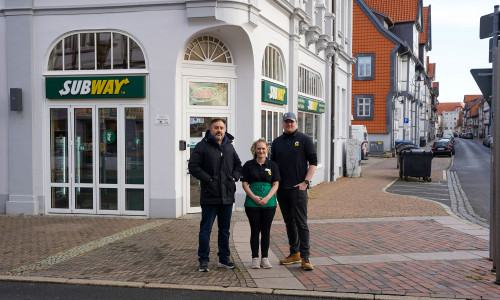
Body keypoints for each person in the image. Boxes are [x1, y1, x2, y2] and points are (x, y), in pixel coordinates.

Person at [188, 118, 242, 272]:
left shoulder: (229, 147)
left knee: (224, 230)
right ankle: (203, 260)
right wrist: (209, 179)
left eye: (222, 128)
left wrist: (234, 177)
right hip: (210, 195)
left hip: (227, 196)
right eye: (216, 127)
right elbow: (193, 166)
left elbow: (238, 165)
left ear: (225, 129)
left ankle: (224, 259)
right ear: (210, 129)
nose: (219, 130)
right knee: (206, 230)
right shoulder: (202, 146)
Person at [271, 112, 317, 271]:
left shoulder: (305, 140)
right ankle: (294, 253)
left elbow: (313, 162)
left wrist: (306, 182)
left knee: (301, 223)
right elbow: (273, 165)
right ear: (283, 124)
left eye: (291, 122)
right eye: (286, 122)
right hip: (282, 189)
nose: (289, 124)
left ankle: (306, 257)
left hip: (298, 189)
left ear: (296, 123)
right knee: (289, 222)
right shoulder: (277, 142)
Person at [241, 139, 280, 269]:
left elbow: (276, 184)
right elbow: (244, 183)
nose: (261, 151)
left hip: (269, 203)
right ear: (255, 150)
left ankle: (265, 258)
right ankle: (255, 258)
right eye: (258, 149)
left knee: (266, 230)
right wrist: (253, 197)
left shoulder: (273, 165)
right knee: (255, 230)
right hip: (252, 204)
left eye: (263, 149)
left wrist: (267, 197)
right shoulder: (248, 165)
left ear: (267, 150)